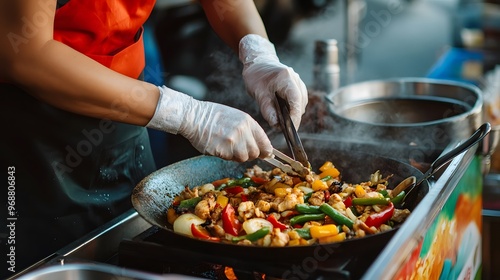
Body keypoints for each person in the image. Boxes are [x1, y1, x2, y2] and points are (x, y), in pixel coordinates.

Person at [0, 0, 308, 276]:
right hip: (29, 131)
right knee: (37, 264)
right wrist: (185, 113)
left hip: (125, 110)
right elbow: (23, 53)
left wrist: (259, 52)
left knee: (136, 251)